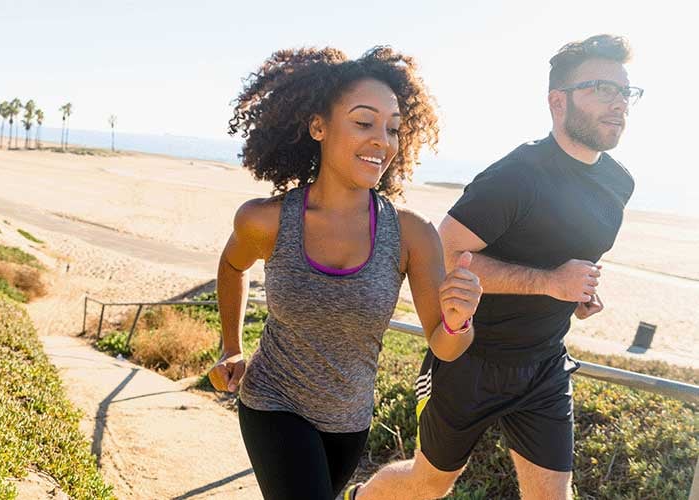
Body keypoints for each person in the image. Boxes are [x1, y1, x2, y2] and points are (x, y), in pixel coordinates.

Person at [355, 34, 639, 500]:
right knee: (427, 485)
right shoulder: (515, 176)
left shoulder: (617, 182)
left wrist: (579, 292)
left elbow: (570, 255)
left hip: (544, 363)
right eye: (601, 89)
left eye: (624, 91)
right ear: (557, 101)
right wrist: (550, 283)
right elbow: (446, 254)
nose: (618, 104)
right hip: (471, 359)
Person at [206, 47, 482, 500]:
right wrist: (231, 347)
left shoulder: (412, 233)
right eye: (363, 122)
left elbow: (446, 346)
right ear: (319, 126)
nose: (383, 140)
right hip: (273, 402)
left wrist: (458, 317)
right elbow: (231, 265)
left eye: (392, 128)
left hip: (349, 423)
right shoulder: (266, 220)